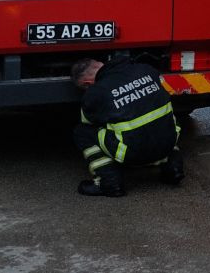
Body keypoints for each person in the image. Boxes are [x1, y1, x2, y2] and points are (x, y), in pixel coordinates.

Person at [71, 57, 183, 197]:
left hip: (132, 153)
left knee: (82, 132)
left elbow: (88, 122)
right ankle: (174, 167)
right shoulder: (146, 69)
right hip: (168, 142)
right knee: (162, 122)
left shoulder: (95, 93)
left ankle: (109, 182)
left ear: (87, 83)